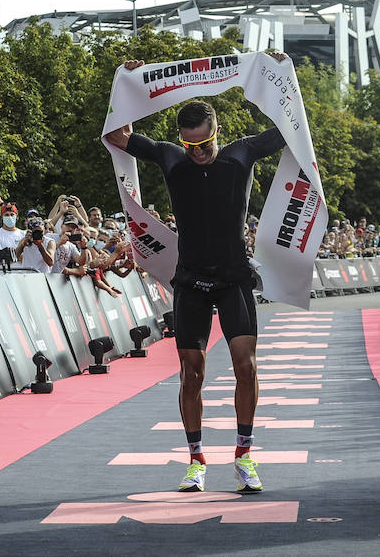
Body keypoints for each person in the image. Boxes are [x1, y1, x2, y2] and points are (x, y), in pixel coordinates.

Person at [105, 57, 287, 495]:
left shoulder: (241, 153)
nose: (197, 153)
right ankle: (196, 460)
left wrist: (279, 75)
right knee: (193, 372)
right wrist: (129, 83)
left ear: (216, 133)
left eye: (203, 145)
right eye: (189, 146)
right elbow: (115, 134)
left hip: (233, 278)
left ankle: (244, 455)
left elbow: (288, 130)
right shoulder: (171, 157)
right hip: (190, 281)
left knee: (246, 366)